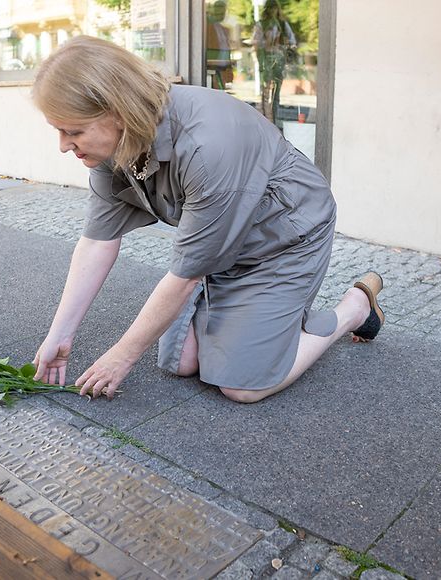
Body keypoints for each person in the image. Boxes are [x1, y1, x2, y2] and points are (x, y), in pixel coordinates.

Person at [31, 35, 385, 403]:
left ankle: (354, 309)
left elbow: (184, 277)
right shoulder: (109, 147)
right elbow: (98, 241)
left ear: (117, 113)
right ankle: (235, 307)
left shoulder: (206, 146)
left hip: (286, 239)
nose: (63, 144)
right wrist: (61, 334)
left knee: (243, 386)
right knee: (181, 362)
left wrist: (122, 355)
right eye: (58, 130)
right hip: (225, 242)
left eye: (73, 131)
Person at [252, 0, 297, 124]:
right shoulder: (261, 24)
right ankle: (264, 119)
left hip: (279, 60)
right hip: (266, 60)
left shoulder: (282, 24)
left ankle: (274, 119)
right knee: (265, 91)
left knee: (276, 92)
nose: (273, 11)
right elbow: (256, 44)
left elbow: (292, 42)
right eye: (271, 8)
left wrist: (285, 49)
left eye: (275, 8)